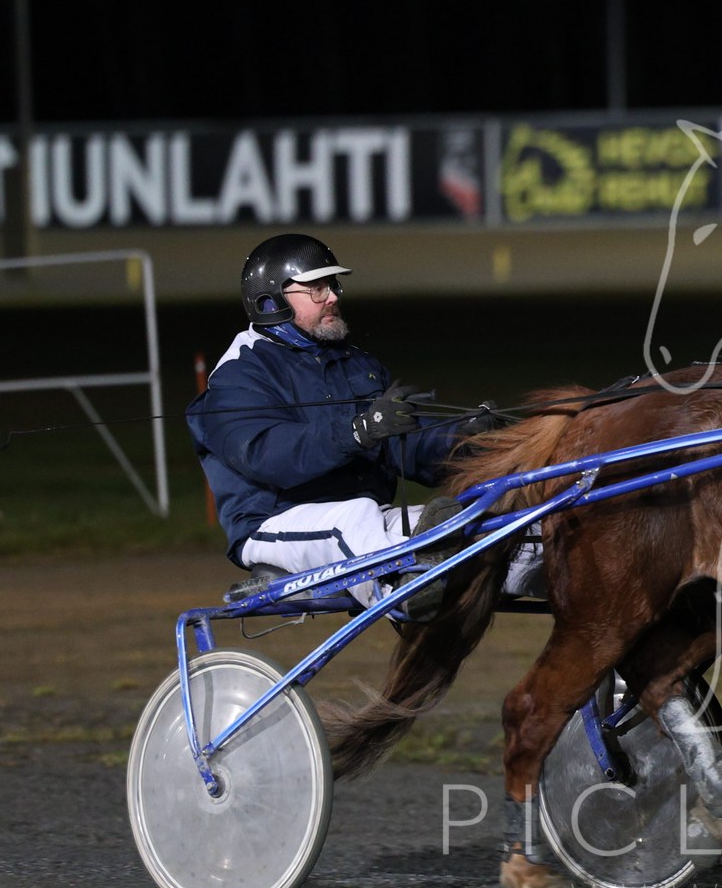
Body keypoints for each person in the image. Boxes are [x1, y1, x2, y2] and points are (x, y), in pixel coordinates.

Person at [186, 233, 522, 614]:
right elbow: (270, 456)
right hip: (273, 524)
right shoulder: (239, 373)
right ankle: (401, 593)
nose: (332, 296)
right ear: (270, 302)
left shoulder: (355, 363)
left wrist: (465, 439)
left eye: (332, 285)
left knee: (477, 524)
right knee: (355, 516)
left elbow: (403, 445)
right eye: (316, 288)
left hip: (366, 523)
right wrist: (358, 432)